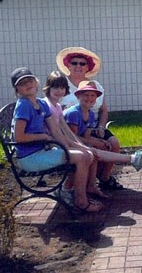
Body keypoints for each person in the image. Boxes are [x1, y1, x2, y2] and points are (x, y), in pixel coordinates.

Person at [9, 67, 101, 213]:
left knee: (86, 154)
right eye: (22, 83)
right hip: (30, 158)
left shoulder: (41, 103)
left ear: (36, 82)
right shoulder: (24, 105)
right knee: (83, 158)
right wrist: (43, 137)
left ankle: (68, 192)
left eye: (30, 80)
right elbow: (19, 137)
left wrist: (73, 147)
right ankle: (81, 201)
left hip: (42, 151)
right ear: (17, 89)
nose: (28, 84)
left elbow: (56, 131)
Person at [56, 46, 124, 190]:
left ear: (88, 67)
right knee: (91, 147)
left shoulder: (95, 85)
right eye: (74, 63)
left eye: (82, 63)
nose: (78, 66)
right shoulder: (60, 86)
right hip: (72, 131)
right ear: (68, 65)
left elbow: (104, 110)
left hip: (93, 127)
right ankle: (84, 183)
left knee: (114, 143)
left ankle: (104, 178)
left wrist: (101, 127)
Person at [42, 71, 109, 202]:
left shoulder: (57, 107)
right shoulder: (48, 106)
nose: (59, 91)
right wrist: (75, 147)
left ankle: (85, 189)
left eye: (62, 87)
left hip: (57, 144)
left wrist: (80, 145)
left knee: (88, 152)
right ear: (48, 88)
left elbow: (67, 132)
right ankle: (73, 194)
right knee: (85, 155)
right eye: (55, 87)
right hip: (49, 147)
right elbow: (57, 134)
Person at [63, 80, 142, 177]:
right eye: (86, 95)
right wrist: (93, 143)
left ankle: (93, 184)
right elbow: (72, 138)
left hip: (76, 143)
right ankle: (133, 159)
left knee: (98, 148)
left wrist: (98, 141)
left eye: (93, 95)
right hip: (64, 144)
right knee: (93, 152)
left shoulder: (90, 114)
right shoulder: (74, 113)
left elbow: (86, 135)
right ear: (78, 96)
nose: (89, 98)